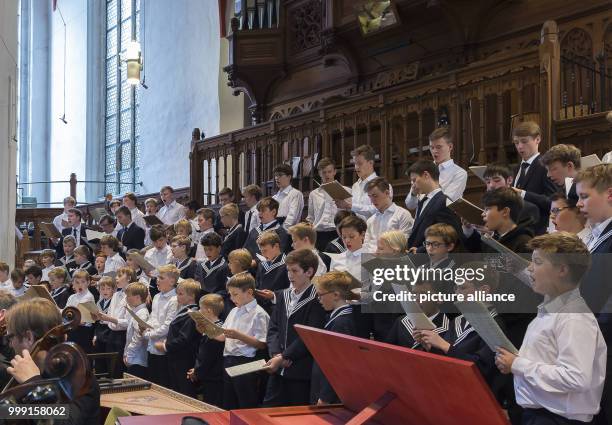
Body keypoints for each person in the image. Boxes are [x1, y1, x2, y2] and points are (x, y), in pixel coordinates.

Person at [495, 233, 606, 425]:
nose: (529, 268)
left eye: (537, 262)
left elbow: (576, 378)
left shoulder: (573, 318)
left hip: (556, 419)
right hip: (540, 415)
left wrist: (518, 365)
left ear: (562, 270)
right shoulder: (552, 308)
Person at [6, 298, 100, 424]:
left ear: (29, 337)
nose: (10, 344)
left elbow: (63, 422)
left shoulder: (78, 378)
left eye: (10, 337)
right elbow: (18, 413)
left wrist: (34, 384)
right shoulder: (29, 372)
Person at [264, 249, 327, 407]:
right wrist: (276, 354)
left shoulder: (317, 300)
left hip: (300, 370)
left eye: (295, 271)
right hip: (278, 368)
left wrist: (285, 356)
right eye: (288, 270)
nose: (290, 275)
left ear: (309, 271)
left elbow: (308, 336)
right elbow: (273, 328)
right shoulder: (283, 295)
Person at [215, 273, 269, 409]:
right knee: (229, 401)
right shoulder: (234, 311)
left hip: (247, 362)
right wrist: (207, 329)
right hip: (229, 359)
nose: (232, 298)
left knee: (245, 402)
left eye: (235, 294)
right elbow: (223, 336)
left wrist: (239, 336)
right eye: (230, 294)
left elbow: (262, 344)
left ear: (249, 292)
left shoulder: (259, 313)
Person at [310, 270, 359, 405]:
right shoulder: (335, 318)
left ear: (336, 295)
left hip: (329, 397)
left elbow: (340, 365)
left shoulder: (341, 323)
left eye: (320, 295)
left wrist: (326, 397)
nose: (319, 300)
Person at [406, 160, 462, 251]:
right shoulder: (422, 200)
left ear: (426, 175)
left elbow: (451, 236)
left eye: (414, 180)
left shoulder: (444, 201)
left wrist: (421, 251)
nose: (413, 186)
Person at [405, 127, 467, 209]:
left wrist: (429, 189)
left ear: (450, 147)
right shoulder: (423, 169)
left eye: (438, 147)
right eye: (432, 147)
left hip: (442, 220)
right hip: (422, 219)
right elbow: (410, 205)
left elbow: (446, 202)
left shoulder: (459, 173)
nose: (434, 151)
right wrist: (413, 193)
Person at [91, 267, 136, 378]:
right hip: (112, 334)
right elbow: (110, 316)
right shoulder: (116, 295)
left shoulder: (131, 296)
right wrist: (100, 318)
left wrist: (108, 319)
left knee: (118, 369)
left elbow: (128, 322)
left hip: (123, 336)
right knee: (109, 367)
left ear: (129, 278)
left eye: (120, 276)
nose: (116, 278)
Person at [159, 279, 201, 396]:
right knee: (177, 390)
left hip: (185, 359)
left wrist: (165, 346)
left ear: (192, 295)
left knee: (185, 391)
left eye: (181, 294)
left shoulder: (193, 314)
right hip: (176, 357)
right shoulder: (184, 311)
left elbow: (184, 338)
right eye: (177, 293)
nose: (177, 296)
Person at [463, 188, 534, 253]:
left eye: (487, 209)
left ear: (505, 212)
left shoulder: (524, 243)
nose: (483, 214)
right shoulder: (494, 237)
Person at [142, 264, 178, 387]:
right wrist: (147, 329)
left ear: (172, 281)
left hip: (163, 346)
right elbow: (153, 317)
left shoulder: (175, 299)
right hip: (152, 344)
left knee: (163, 383)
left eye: (161, 278)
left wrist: (149, 335)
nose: (157, 280)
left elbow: (168, 325)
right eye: (158, 277)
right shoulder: (157, 296)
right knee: (152, 382)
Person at [335, 144, 392, 220]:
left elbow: (377, 209)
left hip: (376, 229)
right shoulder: (355, 186)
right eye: (355, 163)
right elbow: (355, 211)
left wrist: (350, 206)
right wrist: (343, 205)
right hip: (357, 229)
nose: (356, 167)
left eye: (360, 163)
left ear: (371, 163)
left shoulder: (384, 185)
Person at [483, 164, 542, 235]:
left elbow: (525, 239)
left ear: (510, 180)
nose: (491, 185)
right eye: (488, 182)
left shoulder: (528, 208)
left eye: (496, 180)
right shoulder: (488, 206)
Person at [188, 293, 225, 407]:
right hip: (211, 374)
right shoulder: (217, 326)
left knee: (212, 405)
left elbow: (207, 356)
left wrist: (197, 371)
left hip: (213, 377)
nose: (199, 311)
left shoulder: (216, 331)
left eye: (200, 308)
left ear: (208, 311)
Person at [307, 158, 351, 252]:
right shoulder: (314, 194)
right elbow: (311, 217)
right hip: (319, 234)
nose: (327, 175)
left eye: (329, 171)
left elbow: (351, 212)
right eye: (324, 172)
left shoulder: (346, 190)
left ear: (334, 172)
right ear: (319, 173)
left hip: (338, 232)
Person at [363, 177, 413, 252]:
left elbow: (403, 245)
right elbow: (366, 245)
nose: (372, 200)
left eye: (375, 196)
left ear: (387, 193)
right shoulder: (370, 220)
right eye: (370, 196)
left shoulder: (402, 214)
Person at [511, 121, 558, 196]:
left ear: (537, 139)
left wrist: (524, 194)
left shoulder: (546, 166)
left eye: (524, 141)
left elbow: (553, 200)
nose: (519, 146)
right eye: (516, 142)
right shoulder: (515, 169)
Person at [255, 231, 291, 314]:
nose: (263, 255)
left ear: (276, 246)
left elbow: (290, 289)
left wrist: (274, 295)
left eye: (265, 251)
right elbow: (257, 284)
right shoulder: (262, 264)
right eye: (261, 251)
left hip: (277, 308)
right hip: (260, 307)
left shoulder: (287, 265)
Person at [123, 282, 150, 379]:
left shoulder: (142, 314)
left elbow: (138, 337)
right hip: (134, 358)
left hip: (137, 359)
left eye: (128, 296)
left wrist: (129, 356)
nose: (126, 298)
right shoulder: (137, 311)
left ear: (137, 297)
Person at [65, 270, 95, 353]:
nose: (80, 285)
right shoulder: (72, 297)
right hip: (72, 329)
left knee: (81, 356)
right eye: (77, 282)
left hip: (83, 332)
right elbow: (65, 314)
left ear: (88, 282)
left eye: (83, 282)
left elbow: (82, 320)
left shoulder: (88, 296)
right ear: (73, 284)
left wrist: (69, 317)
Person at [329, 215, 367, 280]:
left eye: (352, 236)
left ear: (362, 235)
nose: (347, 241)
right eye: (344, 237)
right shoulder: (336, 259)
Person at [272, 164, 305, 229]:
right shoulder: (274, 197)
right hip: (273, 230)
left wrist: (280, 231)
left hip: (288, 231)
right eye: (275, 175)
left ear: (289, 177)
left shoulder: (295, 194)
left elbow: (292, 218)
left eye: (280, 175)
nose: (276, 178)